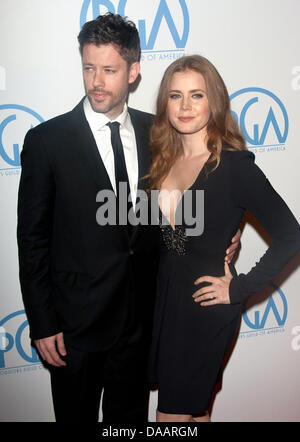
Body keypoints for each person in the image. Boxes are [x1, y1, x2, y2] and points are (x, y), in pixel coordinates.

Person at [17, 14, 239, 423]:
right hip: (74, 328)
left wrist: (222, 241)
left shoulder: (157, 133)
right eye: (88, 68)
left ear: (133, 71)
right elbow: (32, 241)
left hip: (140, 323)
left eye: (109, 70)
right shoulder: (47, 141)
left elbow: (172, 221)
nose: (96, 81)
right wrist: (42, 322)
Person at [147, 54, 300, 423]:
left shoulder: (233, 167)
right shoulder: (159, 161)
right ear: (164, 103)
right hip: (165, 309)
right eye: (175, 95)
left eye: (196, 95)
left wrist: (239, 288)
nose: (185, 106)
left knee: (171, 419)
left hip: (205, 311)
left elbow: (291, 235)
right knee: (195, 415)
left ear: (213, 101)